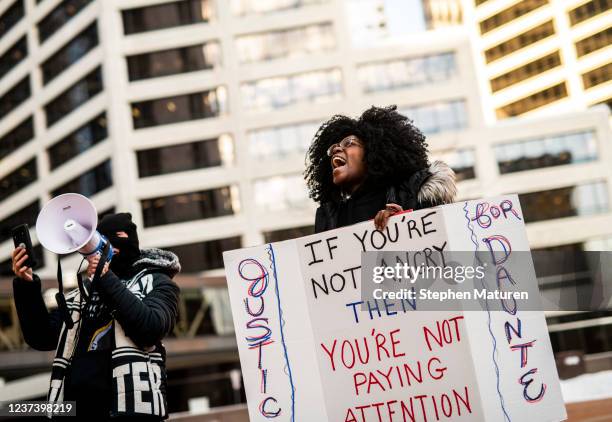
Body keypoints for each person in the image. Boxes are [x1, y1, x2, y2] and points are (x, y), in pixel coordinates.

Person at [11, 212, 180, 420]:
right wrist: (26, 286)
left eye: (117, 238)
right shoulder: (83, 294)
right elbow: (41, 336)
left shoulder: (158, 283)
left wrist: (105, 278)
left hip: (128, 411)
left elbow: (150, 329)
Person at [305, 105, 457, 233]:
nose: (336, 150)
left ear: (373, 151)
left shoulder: (414, 193)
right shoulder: (330, 218)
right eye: (332, 149)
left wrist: (404, 222)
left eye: (349, 143)